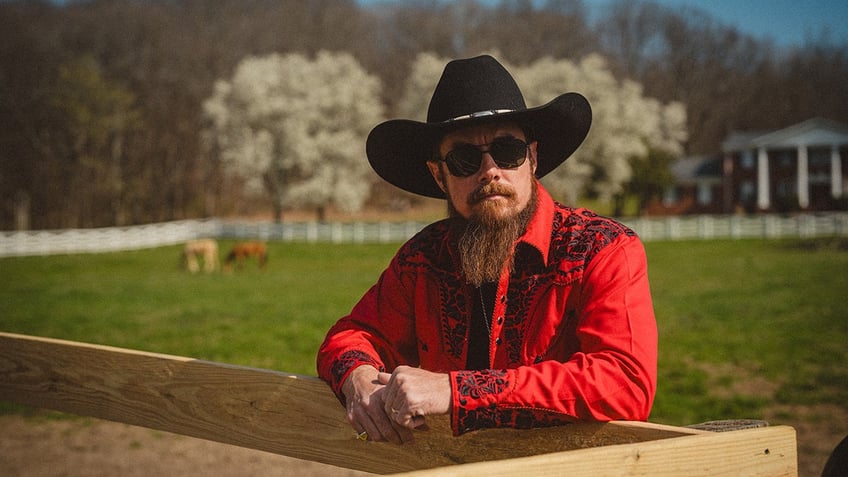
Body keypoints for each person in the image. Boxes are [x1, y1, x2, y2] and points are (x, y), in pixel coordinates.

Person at [316, 55, 657, 445]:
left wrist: (457, 391)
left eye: (507, 150)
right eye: (464, 159)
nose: (490, 170)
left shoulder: (602, 249)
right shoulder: (422, 258)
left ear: (532, 158)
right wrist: (356, 378)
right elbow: (353, 334)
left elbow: (626, 382)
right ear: (438, 175)